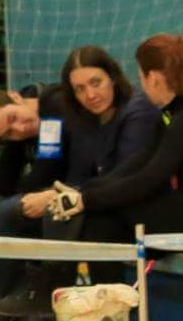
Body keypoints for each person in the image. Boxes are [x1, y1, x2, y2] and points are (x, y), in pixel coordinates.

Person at [0, 47, 159, 321]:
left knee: (48, 209)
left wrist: (57, 193)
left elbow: (52, 172)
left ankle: (52, 314)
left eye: (95, 83)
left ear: (15, 98)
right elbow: (8, 183)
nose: (19, 129)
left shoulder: (60, 109)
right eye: (80, 88)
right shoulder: (55, 121)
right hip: (81, 194)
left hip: (100, 201)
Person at [50, 34, 183, 242]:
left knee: (106, 213)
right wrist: (82, 193)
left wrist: (86, 200)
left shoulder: (177, 120)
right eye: (80, 89)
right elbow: (137, 164)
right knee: (100, 218)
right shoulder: (168, 115)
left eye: (141, 77)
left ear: (153, 78)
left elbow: (149, 179)